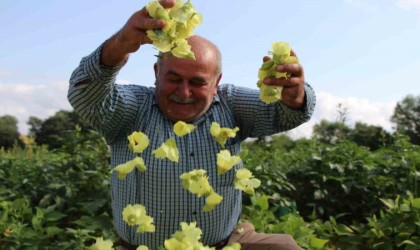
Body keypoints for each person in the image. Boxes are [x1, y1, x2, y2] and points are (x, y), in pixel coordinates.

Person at [67, 0, 316, 249]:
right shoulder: (132, 109)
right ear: (156, 73)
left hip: (227, 242)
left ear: (216, 82)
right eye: (174, 79)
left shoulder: (231, 103)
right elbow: (84, 96)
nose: (184, 93)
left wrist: (294, 97)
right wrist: (120, 44)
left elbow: (287, 114)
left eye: (197, 82)